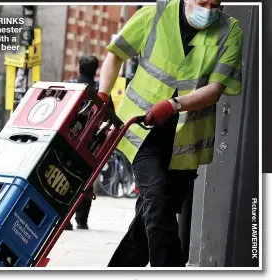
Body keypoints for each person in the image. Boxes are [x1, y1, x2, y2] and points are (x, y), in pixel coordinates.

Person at [98, 0, 242, 267]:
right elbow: (115, 52)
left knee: (153, 215)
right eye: (202, 2)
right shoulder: (154, 15)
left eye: (216, 4)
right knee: (158, 204)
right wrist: (103, 94)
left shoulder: (230, 31)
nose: (209, 10)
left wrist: (174, 105)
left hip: (187, 140)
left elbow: (216, 89)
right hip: (143, 133)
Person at [65, 54, 115, 230]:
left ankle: (66, 219)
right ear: (96, 71)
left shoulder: (70, 86)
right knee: (86, 180)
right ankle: (81, 219)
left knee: (66, 176)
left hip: (67, 140)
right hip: (91, 144)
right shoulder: (100, 91)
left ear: (78, 67)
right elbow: (111, 118)